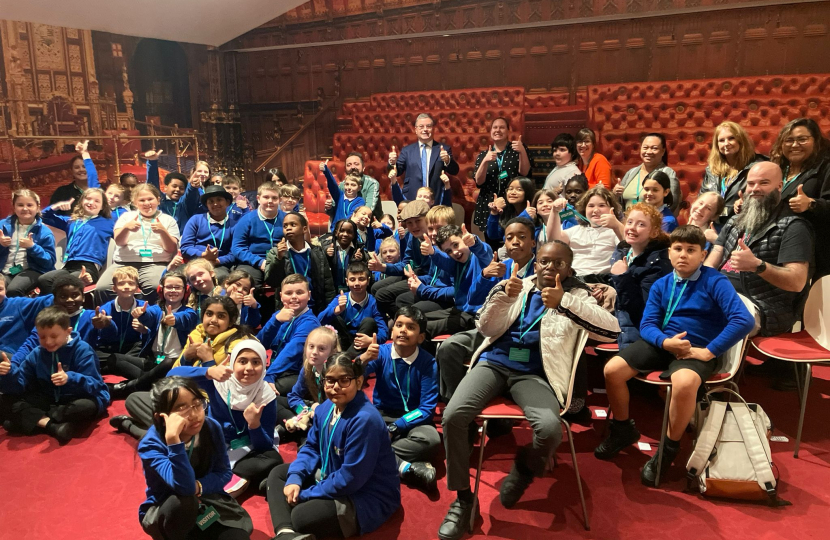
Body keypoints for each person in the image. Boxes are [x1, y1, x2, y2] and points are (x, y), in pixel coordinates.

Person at [437, 242, 620, 540]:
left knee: (549, 429)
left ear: (569, 268)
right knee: (454, 416)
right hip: (493, 364)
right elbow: (484, 327)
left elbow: (612, 331)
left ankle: (524, 469)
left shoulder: (578, 295)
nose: (550, 267)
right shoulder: (516, 285)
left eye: (558, 263)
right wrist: (501, 298)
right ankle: (463, 499)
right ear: (535, 265)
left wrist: (564, 303)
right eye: (544, 262)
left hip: (535, 375)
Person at [596, 226, 755, 486]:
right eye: (678, 249)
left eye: (691, 250)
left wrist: (709, 351)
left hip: (698, 348)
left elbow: (743, 321)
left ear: (702, 255)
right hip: (664, 343)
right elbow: (647, 325)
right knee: (612, 370)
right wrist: (665, 341)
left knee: (684, 383)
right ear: (669, 253)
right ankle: (623, 429)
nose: (684, 255)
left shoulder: (715, 281)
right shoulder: (662, 283)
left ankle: (668, 448)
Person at [266, 353, 400, 540]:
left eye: (344, 380)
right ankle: (286, 534)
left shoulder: (364, 420)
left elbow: (351, 478)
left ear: (359, 382)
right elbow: (311, 447)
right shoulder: (324, 408)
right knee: (278, 474)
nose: (336, 387)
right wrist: (296, 478)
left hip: (366, 494)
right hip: (331, 472)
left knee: (302, 516)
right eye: (330, 380)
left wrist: (306, 494)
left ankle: (289, 519)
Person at [705, 161, 814, 390]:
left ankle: (713, 386)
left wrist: (757, 266)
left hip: (764, 305)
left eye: (764, 183)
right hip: (722, 292)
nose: (755, 188)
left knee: (715, 318)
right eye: (751, 183)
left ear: (779, 186)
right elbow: (714, 256)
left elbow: (796, 281)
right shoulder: (735, 221)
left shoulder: (793, 227)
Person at [114, 296, 252, 440]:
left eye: (221, 316)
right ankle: (183, 437)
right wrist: (186, 356)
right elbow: (173, 375)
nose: (213, 320)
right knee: (134, 399)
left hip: (211, 408)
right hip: (183, 397)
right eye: (209, 314)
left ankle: (133, 427)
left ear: (231, 320)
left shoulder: (239, 345)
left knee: (192, 435)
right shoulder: (197, 334)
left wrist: (208, 362)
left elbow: (228, 391)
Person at [137, 376, 253, 540]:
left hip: (208, 501)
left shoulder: (211, 427)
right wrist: (174, 442)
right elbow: (183, 487)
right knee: (184, 503)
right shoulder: (151, 445)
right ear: (162, 418)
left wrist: (199, 486)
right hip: (168, 507)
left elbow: (224, 473)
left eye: (197, 404)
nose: (194, 414)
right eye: (182, 408)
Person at [436, 218, 537, 402]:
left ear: (533, 242)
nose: (515, 241)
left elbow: (481, 250)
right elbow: (472, 299)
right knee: (448, 347)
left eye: (522, 237)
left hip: (523, 333)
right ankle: (456, 400)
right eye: (509, 237)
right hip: (490, 330)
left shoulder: (542, 268)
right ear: (505, 243)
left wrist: (474, 242)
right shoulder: (500, 266)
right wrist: (484, 275)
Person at [170, 339, 282, 496]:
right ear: (232, 364)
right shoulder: (219, 381)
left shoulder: (266, 396)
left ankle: (221, 475)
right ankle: (237, 477)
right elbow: (172, 376)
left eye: (256, 362)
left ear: (264, 365)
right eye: (242, 361)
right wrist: (208, 372)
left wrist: (254, 425)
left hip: (247, 447)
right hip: (215, 442)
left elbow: (264, 445)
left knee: (274, 459)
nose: (249, 368)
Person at [0, 306, 110, 444]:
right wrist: (9, 374)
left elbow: (95, 385)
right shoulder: (37, 353)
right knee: (5, 401)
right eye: (42, 337)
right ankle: (51, 426)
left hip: (77, 397)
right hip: (50, 398)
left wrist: (70, 378)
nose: (48, 342)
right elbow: (21, 385)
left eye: (54, 336)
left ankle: (34, 420)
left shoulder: (82, 350)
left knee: (84, 407)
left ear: (68, 332)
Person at [361, 306, 440, 491]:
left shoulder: (428, 363)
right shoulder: (380, 352)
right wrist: (364, 358)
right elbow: (351, 376)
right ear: (392, 330)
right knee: (360, 429)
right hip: (382, 414)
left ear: (421, 337)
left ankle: (372, 453)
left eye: (411, 327)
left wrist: (395, 428)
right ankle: (405, 467)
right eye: (399, 325)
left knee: (432, 440)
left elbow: (426, 409)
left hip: (414, 420)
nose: (403, 330)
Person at [107, 272, 198, 401]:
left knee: (168, 362)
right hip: (154, 361)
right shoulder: (156, 309)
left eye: (177, 287)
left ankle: (127, 387)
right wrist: (142, 314)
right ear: (162, 290)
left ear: (186, 290)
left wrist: (174, 320)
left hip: (174, 364)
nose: (173, 290)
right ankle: (152, 382)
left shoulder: (189, 312)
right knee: (114, 359)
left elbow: (185, 320)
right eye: (169, 287)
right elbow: (149, 316)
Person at [95, 184, 180, 304]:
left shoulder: (168, 220)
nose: (146, 203)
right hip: (123, 263)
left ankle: (149, 319)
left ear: (158, 200)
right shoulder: (126, 217)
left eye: (150, 199)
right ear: (135, 203)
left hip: (155, 263)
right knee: (102, 288)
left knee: (155, 288)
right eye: (142, 200)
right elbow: (119, 242)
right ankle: (110, 320)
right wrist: (126, 229)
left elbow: (171, 248)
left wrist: (163, 232)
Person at [770, 117, 830, 279]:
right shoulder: (778, 168)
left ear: (816, 140)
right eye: (789, 140)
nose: (795, 145)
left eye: (802, 139)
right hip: (777, 247)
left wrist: (811, 204)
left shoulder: (826, 166)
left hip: (816, 252)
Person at [608, 203, 674, 347]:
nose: (631, 227)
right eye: (630, 222)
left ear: (654, 232)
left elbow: (643, 310)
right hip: (618, 320)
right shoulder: (624, 250)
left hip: (638, 331)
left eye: (641, 224)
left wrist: (622, 277)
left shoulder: (659, 263)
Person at [415, 223, 494, 336]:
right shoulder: (456, 262)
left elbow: (485, 252)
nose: (455, 252)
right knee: (417, 321)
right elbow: (444, 260)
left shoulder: (479, 258)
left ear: (464, 239)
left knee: (422, 330)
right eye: (449, 251)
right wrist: (432, 251)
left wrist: (475, 242)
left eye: (456, 245)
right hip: (460, 310)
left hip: (475, 315)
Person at [39, 187, 114, 293]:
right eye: (88, 199)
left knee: (67, 283)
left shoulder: (108, 223)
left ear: (102, 206)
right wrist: (56, 207)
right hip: (68, 265)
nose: (91, 202)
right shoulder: (72, 221)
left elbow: (121, 236)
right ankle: (57, 308)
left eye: (97, 201)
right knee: (44, 280)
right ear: (82, 201)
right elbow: (43, 216)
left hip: (88, 267)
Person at [257, 274, 321, 395]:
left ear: (309, 295)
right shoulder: (279, 315)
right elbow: (260, 343)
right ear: (281, 296)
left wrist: (270, 374)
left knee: (263, 392)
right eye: (289, 293)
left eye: (299, 292)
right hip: (277, 369)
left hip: (298, 374)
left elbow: (291, 352)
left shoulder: (310, 323)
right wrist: (275, 321)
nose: (294, 297)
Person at [265, 212, 335, 315]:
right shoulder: (275, 252)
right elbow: (272, 281)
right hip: (289, 310)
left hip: (314, 308)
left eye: (293, 225)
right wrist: (279, 258)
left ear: (304, 229)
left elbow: (328, 284)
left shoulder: (317, 252)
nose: (288, 228)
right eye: (285, 226)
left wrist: (329, 311)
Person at [471, 117, 532, 235]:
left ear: (508, 131)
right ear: (490, 131)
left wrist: (522, 151)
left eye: (502, 127)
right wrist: (485, 161)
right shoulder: (484, 154)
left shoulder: (517, 150)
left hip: (512, 203)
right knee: (491, 239)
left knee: (514, 236)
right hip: (488, 203)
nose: (498, 130)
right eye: (495, 127)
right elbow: (479, 182)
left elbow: (525, 173)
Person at [280, 326, 340, 442]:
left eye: (321, 349)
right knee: (275, 400)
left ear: (333, 352)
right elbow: (294, 396)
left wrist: (318, 410)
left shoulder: (336, 374)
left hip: (330, 417)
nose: (314, 352)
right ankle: (299, 426)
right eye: (311, 346)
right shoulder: (308, 368)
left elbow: (338, 408)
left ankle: (298, 431)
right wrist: (305, 411)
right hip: (313, 412)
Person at [548, 185, 622, 278]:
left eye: (602, 205)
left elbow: (628, 245)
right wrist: (554, 211)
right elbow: (553, 241)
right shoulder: (574, 231)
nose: (595, 210)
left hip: (602, 281)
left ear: (612, 209)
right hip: (574, 280)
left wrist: (616, 224)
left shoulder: (615, 231)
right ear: (584, 210)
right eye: (591, 206)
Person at [699, 121, 765, 224]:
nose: (726, 143)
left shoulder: (758, 166)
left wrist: (746, 203)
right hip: (713, 224)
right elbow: (702, 198)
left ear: (741, 140)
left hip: (741, 224)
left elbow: (764, 199)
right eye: (721, 140)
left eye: (731, 138)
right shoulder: (712, 170)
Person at [318, 261, 388, 356]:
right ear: (347, 281)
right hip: (343, 341)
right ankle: (348, 359)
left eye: (361, 279)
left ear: (368, 281)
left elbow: (384, 331)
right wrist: (337, 310)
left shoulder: (373, 302)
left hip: (363, 343)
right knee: (335, 317)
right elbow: (319, 320)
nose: (357, 283)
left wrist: (372, 340)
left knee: (369, 322)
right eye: (352, 279)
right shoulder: (340, 299)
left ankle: (346, 360)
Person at [388, 113, 460, 203]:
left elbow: (454, 171)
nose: (425, 129)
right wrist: (392, 162)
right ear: (416, 130)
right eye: (421, 127)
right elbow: (397, 172)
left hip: (435, 199)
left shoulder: (443, 149)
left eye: (428, 126)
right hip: (412, 198)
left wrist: (447, 160)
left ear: (433, 129)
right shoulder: (407, 150)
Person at [1, 189, 56, 297]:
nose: (25, 208)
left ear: (37, 207)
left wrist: (32, 247)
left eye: (29, 205)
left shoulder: (44, 232)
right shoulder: (2, 226)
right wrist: (1, 244)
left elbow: (49, 263)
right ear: (14, 206)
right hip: (5, 269)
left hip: (32, 269)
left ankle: (16, 313)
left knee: (13, 291)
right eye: (20, 205)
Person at [180, 185, 239, 283]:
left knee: (219, 277)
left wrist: (217, 261)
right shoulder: (195, 220)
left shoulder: (235, 225)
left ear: (227, 202)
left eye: (219, 200)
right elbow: (185, 247)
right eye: (211, 201)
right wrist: (203, 255)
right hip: (195, 262)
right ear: (206, 205)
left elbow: (235, 253)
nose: (215, 204)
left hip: (220, 265)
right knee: (177, 278)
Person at [231, 181, 285, 286]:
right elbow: (237, 248)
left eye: (274, 198)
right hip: (253, 262)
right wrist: (260, 262)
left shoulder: (287, 219)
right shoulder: (247, 220)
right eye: (266, 197)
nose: (270, 201)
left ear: (280, 200)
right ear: (258, 199)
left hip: (280, 260)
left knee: (298, 280)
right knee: (241, 283)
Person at [615, 133, 682, 214]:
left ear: (663, 151)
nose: (649, 152)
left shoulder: (668, 174)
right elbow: (618, 204)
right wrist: (615, 194)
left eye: (654, 148)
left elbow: (672, 204)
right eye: (645, 148)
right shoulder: (631, 173)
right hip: (628, 223)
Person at [145, 150, 202, 233]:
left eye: (181, 188)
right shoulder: (159, 200)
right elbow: (152, 185)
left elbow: (191, 196)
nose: (177, 190)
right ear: (165, 187)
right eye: (174, 186)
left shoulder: (184, 204)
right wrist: (152, 162)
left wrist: (192, 187)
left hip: (182, 241)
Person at [0, 279, 54, 355]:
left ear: (5, 290)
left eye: (0, 289)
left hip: (13, 358)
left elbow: (50, 300)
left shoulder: (17, 305)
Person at [324, 152, 383, 218]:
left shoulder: (372, 184)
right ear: (345, 169)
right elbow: (334, 211)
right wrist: (329, 208)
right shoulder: (342, 185)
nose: (352, 167)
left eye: (356, 164)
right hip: (347, 225)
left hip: (370, 224)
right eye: (349, 165)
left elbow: (368, 210)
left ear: (363, 167)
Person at [49, 142, 98, 215]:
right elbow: (49, 216)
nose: (81, 170)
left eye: (84, 167)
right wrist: (57, 207)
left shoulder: (100, 190)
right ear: (71, 171)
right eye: (77, 167)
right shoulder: (62, 192)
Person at [486, 177, 536, 246]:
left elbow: (509, 237)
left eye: (519, 190)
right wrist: (494, 213)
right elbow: (493, 235)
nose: (513, 192)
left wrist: (525, 216)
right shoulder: (508, 212)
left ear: (528, 192)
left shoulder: (533, 212)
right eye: (510, 189)